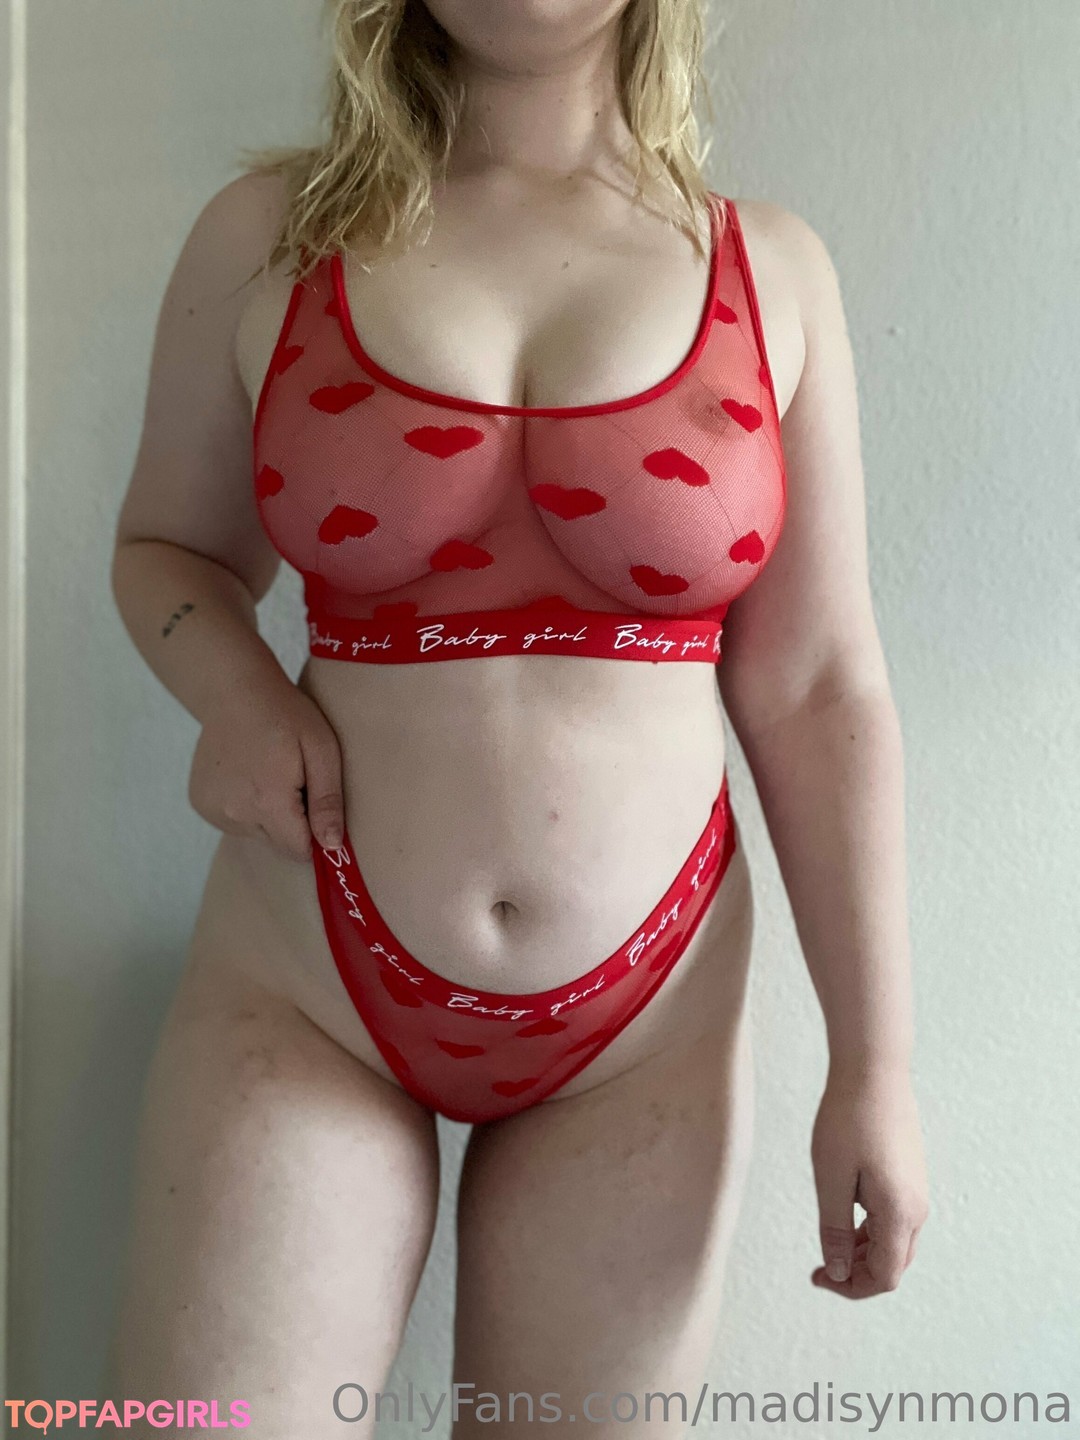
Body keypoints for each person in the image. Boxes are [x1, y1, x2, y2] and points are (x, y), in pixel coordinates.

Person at [104, 0, 928, 1434]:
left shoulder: (772, 269)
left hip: (644, 1029)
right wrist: (231, 693)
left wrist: (877, 1068)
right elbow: (164, 551)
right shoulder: (270, 235)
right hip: (306, 984)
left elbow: (817, 684)